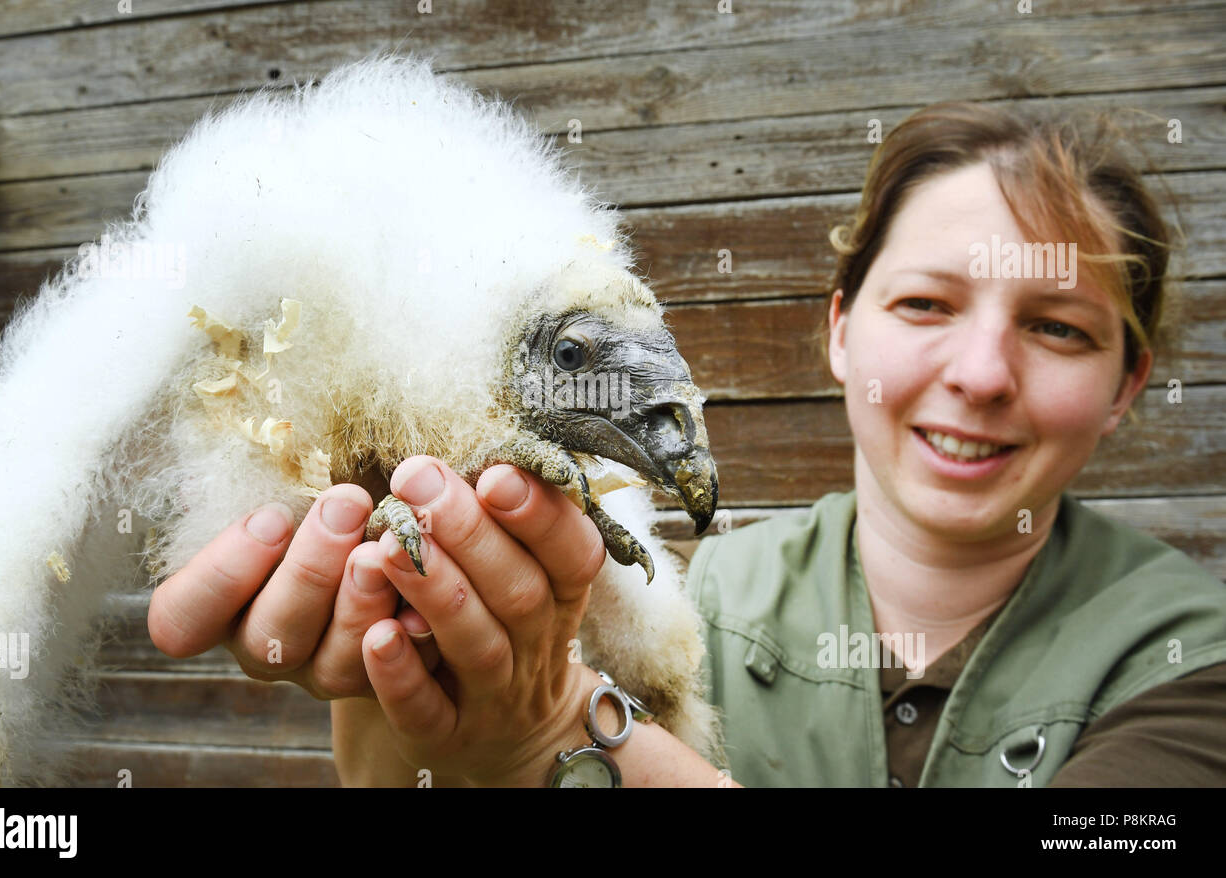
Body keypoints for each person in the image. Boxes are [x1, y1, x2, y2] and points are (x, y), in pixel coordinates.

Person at [147, 101, 1226, 787]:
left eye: (1056, 327)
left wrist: (561, 734)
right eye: (927, 304)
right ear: (842, 330)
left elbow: (541, 735)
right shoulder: (694, 593)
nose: (983, 373)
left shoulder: (1190, 658)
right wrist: (404, 660)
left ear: (1126, 382)